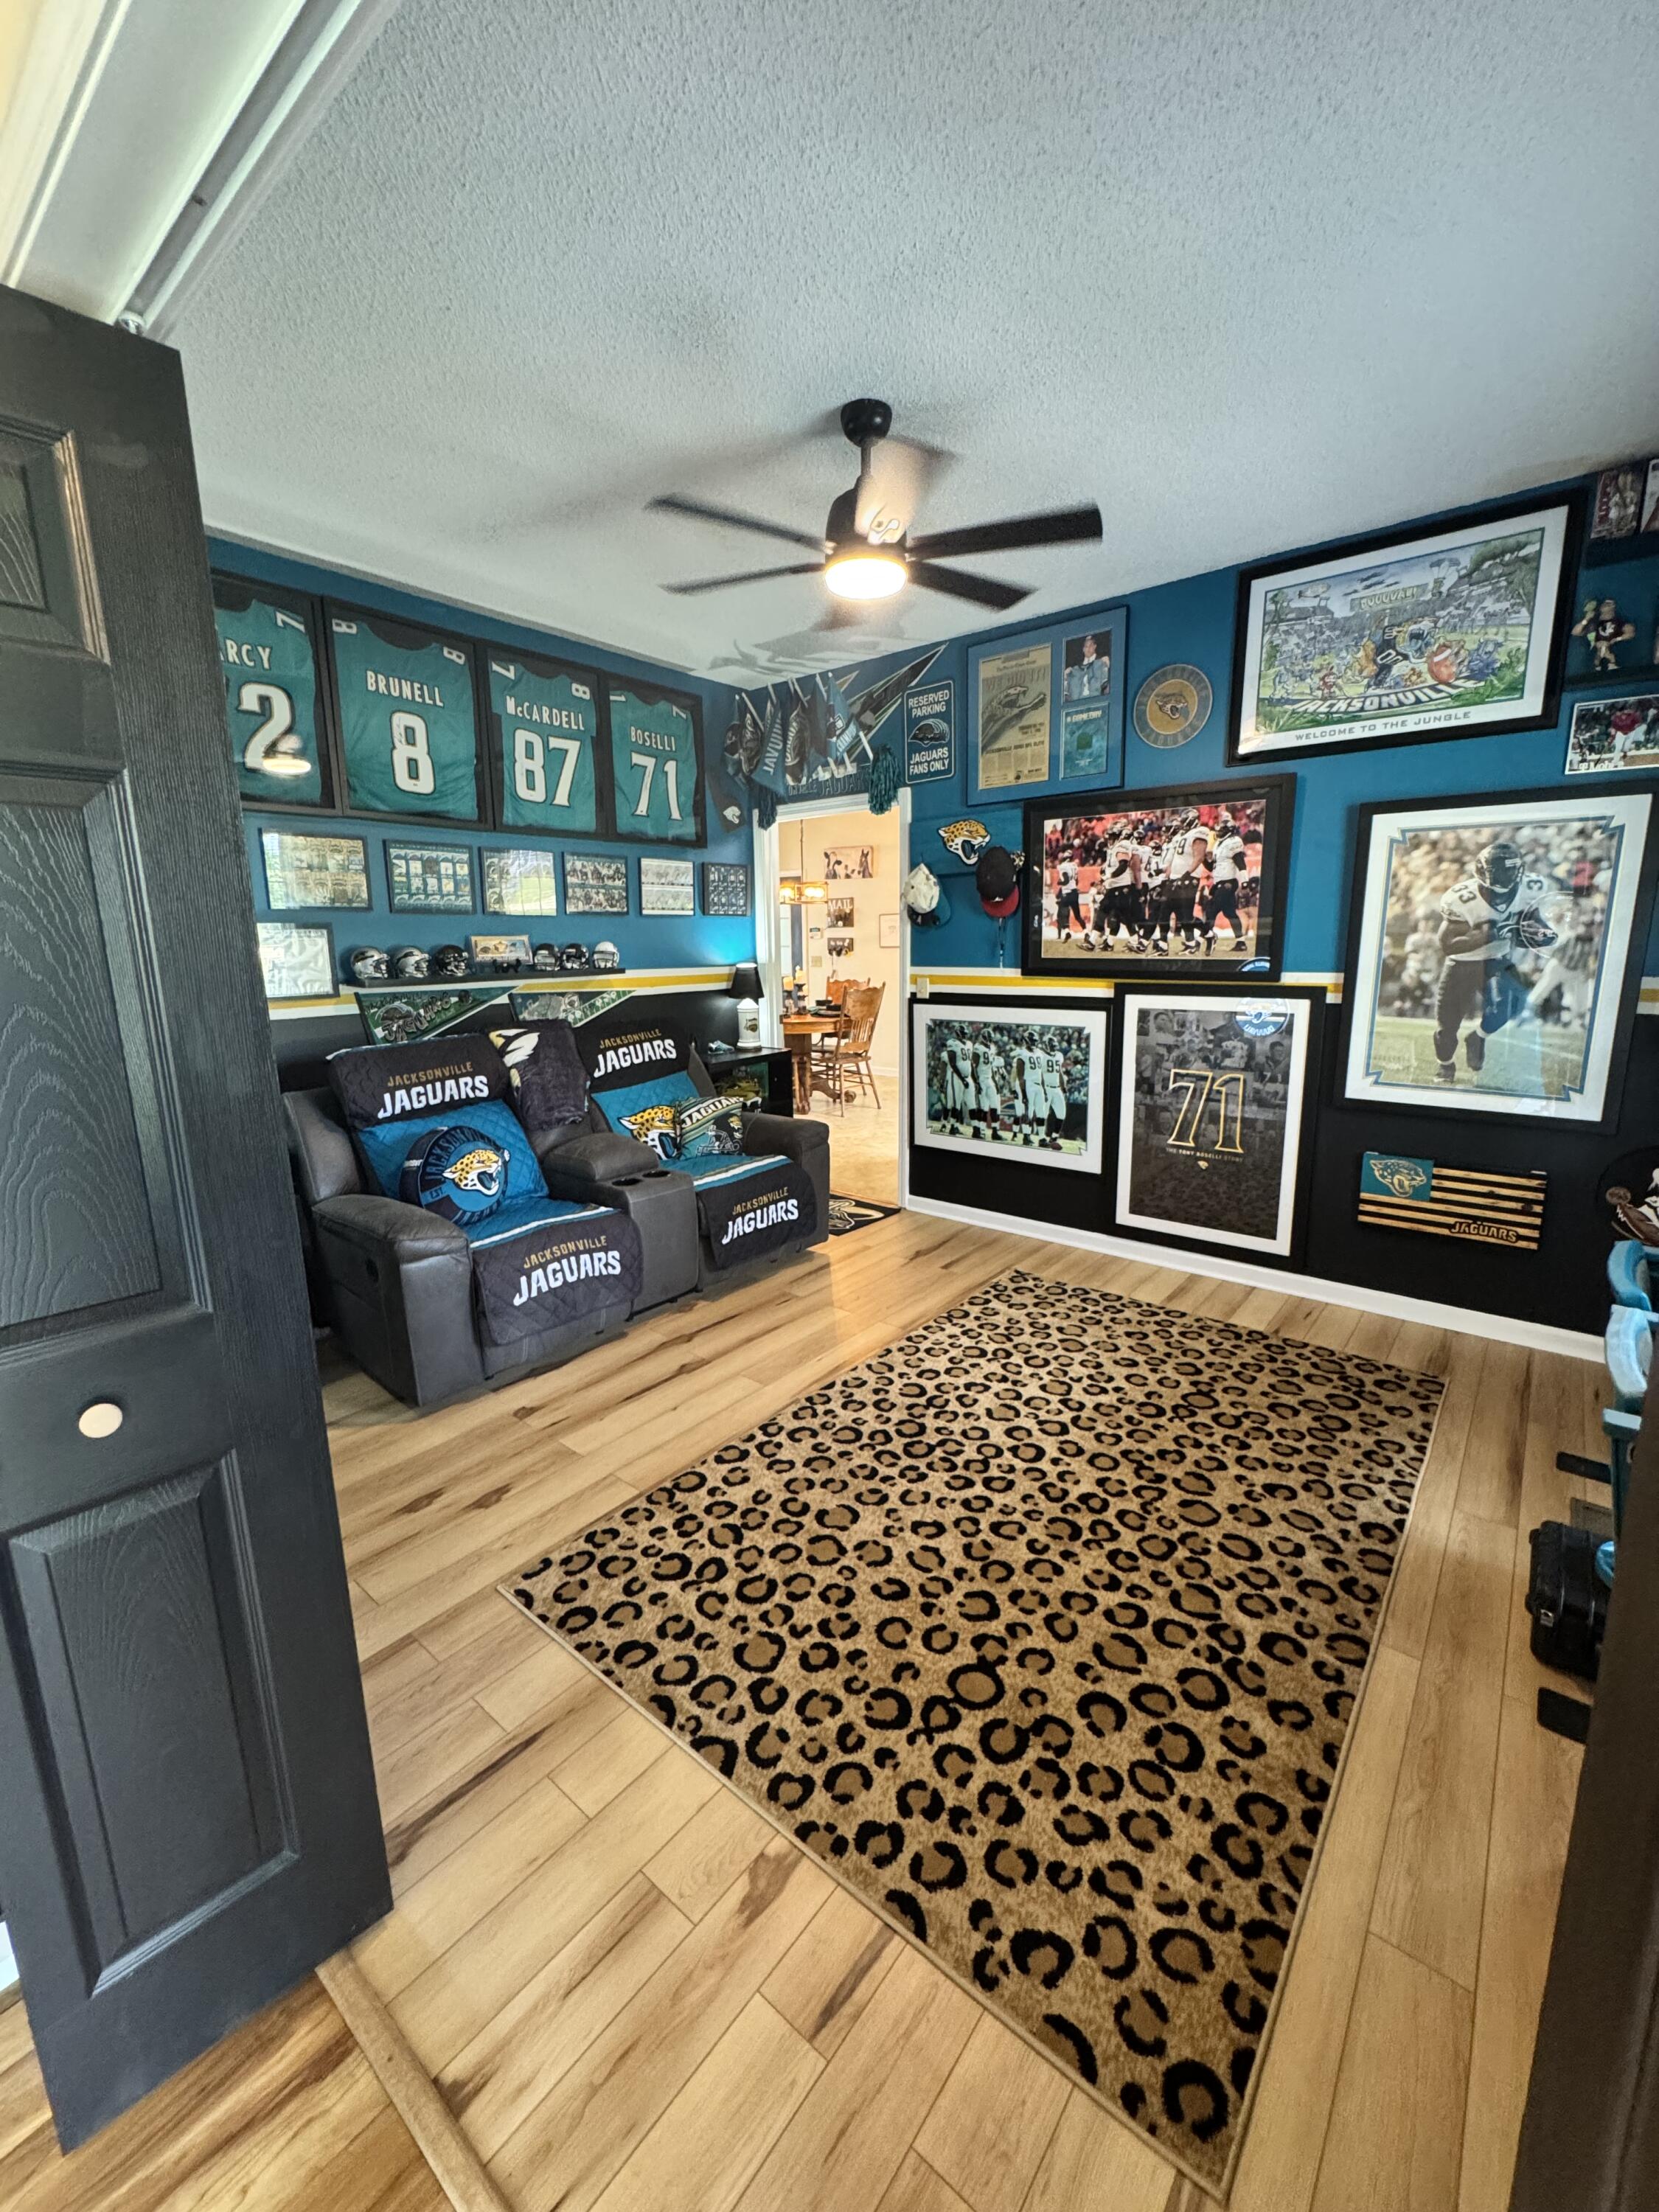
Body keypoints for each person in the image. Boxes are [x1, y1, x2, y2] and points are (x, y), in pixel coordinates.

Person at [1432, 839, 1558, 1085]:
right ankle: (1445, 1065)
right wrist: (1486, 934)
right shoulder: (1463, 899)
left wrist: (1542, 933)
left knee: (1510, 1006)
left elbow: (1531, 922)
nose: (1509, 875)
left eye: (1511, 869)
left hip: (1496, 959)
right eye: (1502, 870)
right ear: (1484, 872)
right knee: (1447, 1026)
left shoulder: (1528, 888)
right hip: (1462, 963)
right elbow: (1448, 945)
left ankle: (1477, 1038)